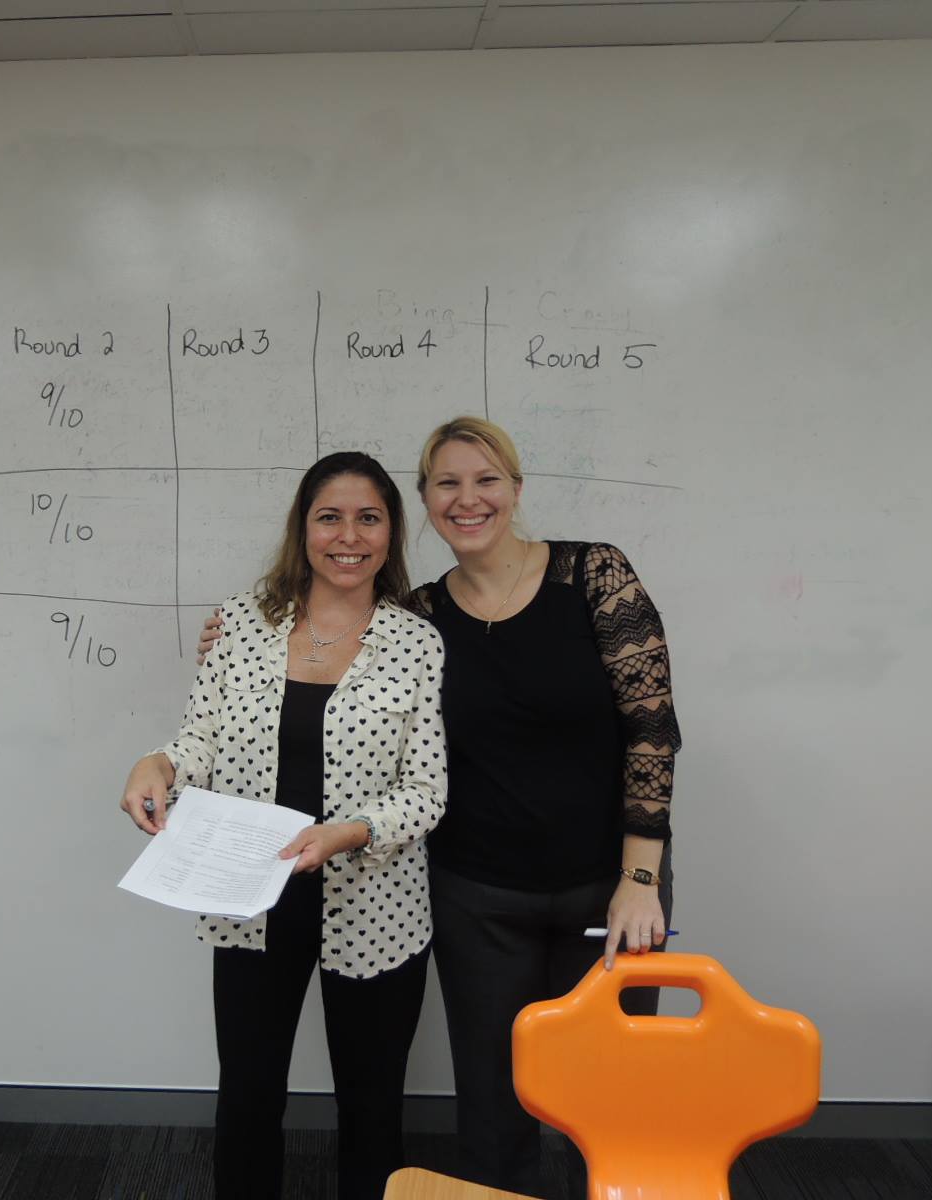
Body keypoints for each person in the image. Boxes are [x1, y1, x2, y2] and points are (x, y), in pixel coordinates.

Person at [197, 417, 681, 1197]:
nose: (468, 499)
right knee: (491, 1107)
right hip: (478, 893)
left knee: (606, 1093)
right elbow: (332, 646)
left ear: (515, 488)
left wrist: (641, 877)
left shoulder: (594, 575)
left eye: (486, 480)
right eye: (447, 484)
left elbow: (652, 729)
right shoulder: (420, 617)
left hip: (608, 886)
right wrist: (234, 641)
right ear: (425, 502)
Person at [121, 451, 447, 1200]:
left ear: (391, 532)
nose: (348, 537)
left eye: (368, 519)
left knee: (372, 1104)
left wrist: (348, 830)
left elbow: (427, 790)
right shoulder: (241, 622)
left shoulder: (417, 643)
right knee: (247, 1093)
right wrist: (158, 763)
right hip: (249, 896)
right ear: (303, 528)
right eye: (329, 517)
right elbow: (200, 739)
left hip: (375, 904)